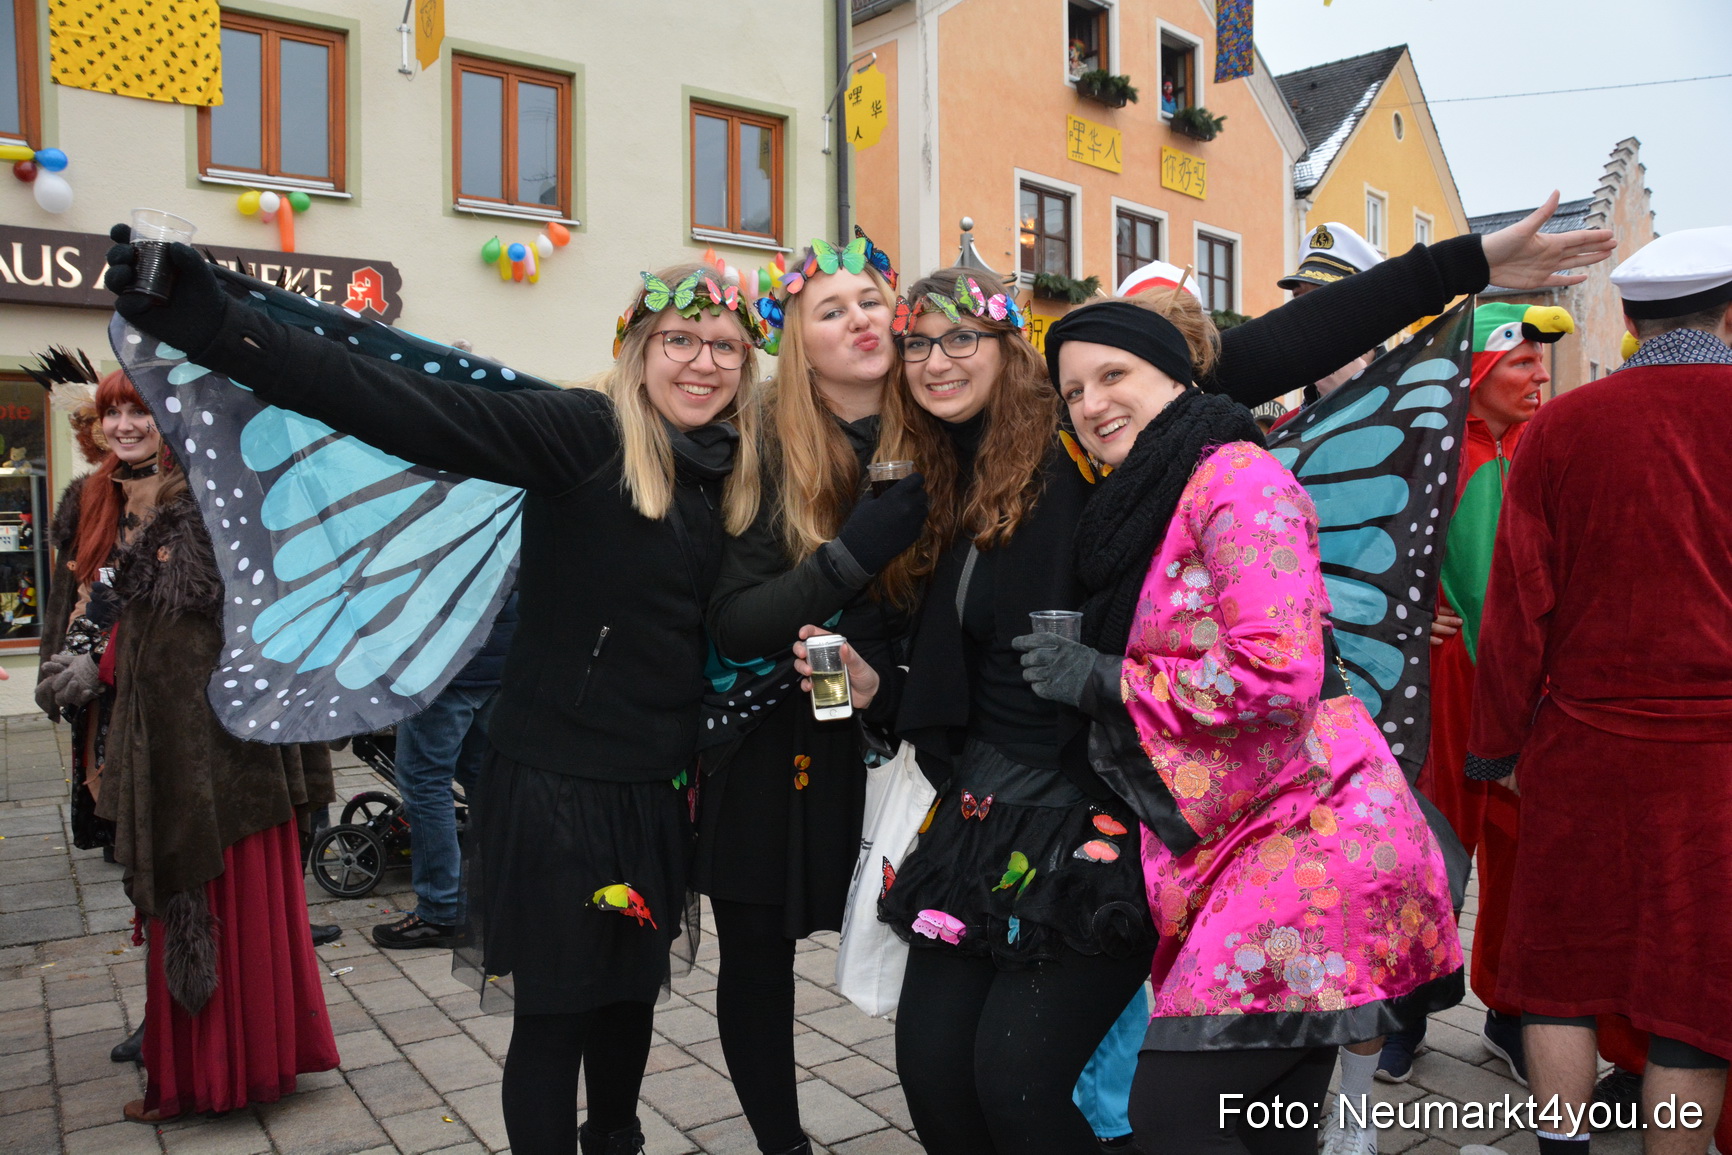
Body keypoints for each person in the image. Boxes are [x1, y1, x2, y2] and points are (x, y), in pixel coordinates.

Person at [102, 235, 766, 1155]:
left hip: (655, 792)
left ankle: (617, 1140)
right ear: (639, 349)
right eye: (680, 339)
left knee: (625, 1005)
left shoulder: (732, 470)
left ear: (748, 363)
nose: (702, 362)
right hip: (559, 795)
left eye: (725, 345)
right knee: (559, 1016)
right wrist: (214, 323)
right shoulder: (584, 433)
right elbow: (401, 401)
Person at [1020, 295, 1461, 1155]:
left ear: (1177, 376)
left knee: (1174, 1117)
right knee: (1265, 1122)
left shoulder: (1235, 476)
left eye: (1114, 375)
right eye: (1073, 392)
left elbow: (1279, 669)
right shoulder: (1152, 490)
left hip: (1308, 828)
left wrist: (1109, 677)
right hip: (1239, 840)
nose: (1092, 402)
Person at [1464, 227, 1732, 1155]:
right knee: (1699, 987)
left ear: (1627, 320)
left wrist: (1497, 750)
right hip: (1718, 764)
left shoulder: (1561, 429)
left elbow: (1513, 612)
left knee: (1557, 971)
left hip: (1580, 744)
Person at [36, 367, 339, 1124]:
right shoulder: (184, 503)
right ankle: (244, 1056)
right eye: (117, 414)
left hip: (203, 747)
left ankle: (214, 1071)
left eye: (147, 413)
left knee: (208, 901)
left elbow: (176, 642)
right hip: (207, 739)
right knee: (227, 904)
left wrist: (104, 661)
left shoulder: (198, 517)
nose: (130, 427)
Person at [697, 230, 928, 1155]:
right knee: (756, 956)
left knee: (939, 941)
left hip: (910, 727)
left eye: (870, 300)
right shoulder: (762, 441)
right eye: (830, 310)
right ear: (798, 337)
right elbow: (737, 621)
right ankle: (782, 1143)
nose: (859, 319)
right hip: (777, 736)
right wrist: (851, 552)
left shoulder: (949, 420)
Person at [1406, 301, 1574, 1091]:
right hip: (1445, 688)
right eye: (1522, 362)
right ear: (1476, 372)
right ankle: (1402, 1015)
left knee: (1519, 852)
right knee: (1432, 853)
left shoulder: (1550, 450)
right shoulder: (1429, 457)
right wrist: (1409, 610)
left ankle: (1506, 1013)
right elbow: (1341, 550)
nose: (1540, 375)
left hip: (1532, 687)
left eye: (1542, 362)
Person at [373, 588, 519, 950]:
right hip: (496, 654)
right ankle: (501, 896)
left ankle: (442, 910)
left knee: (425, 783)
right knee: (484, 779)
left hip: (445, 660)